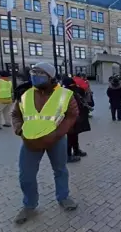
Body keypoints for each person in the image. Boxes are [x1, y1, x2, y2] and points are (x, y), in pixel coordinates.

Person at [11, 62, 78, 224]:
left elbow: (72, 115)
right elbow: (15, 114)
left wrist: (57, 133)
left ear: (50, 76)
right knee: (26, 175)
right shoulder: (25, 94)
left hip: (55, 140)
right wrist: (20, 130)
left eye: (39, 73)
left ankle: (63, 197)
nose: (34, 76)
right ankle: (29, 204)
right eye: (33, 72)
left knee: (60, 170)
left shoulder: (65, 94)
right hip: (30, 141)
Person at [62, 77, 91, 163]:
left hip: (76, 117)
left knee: (75, 135)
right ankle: (68, 155)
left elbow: (80, 99)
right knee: (71, 137)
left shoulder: (74, 91)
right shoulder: (65, 93)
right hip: (69, 118)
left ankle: (76, 150)